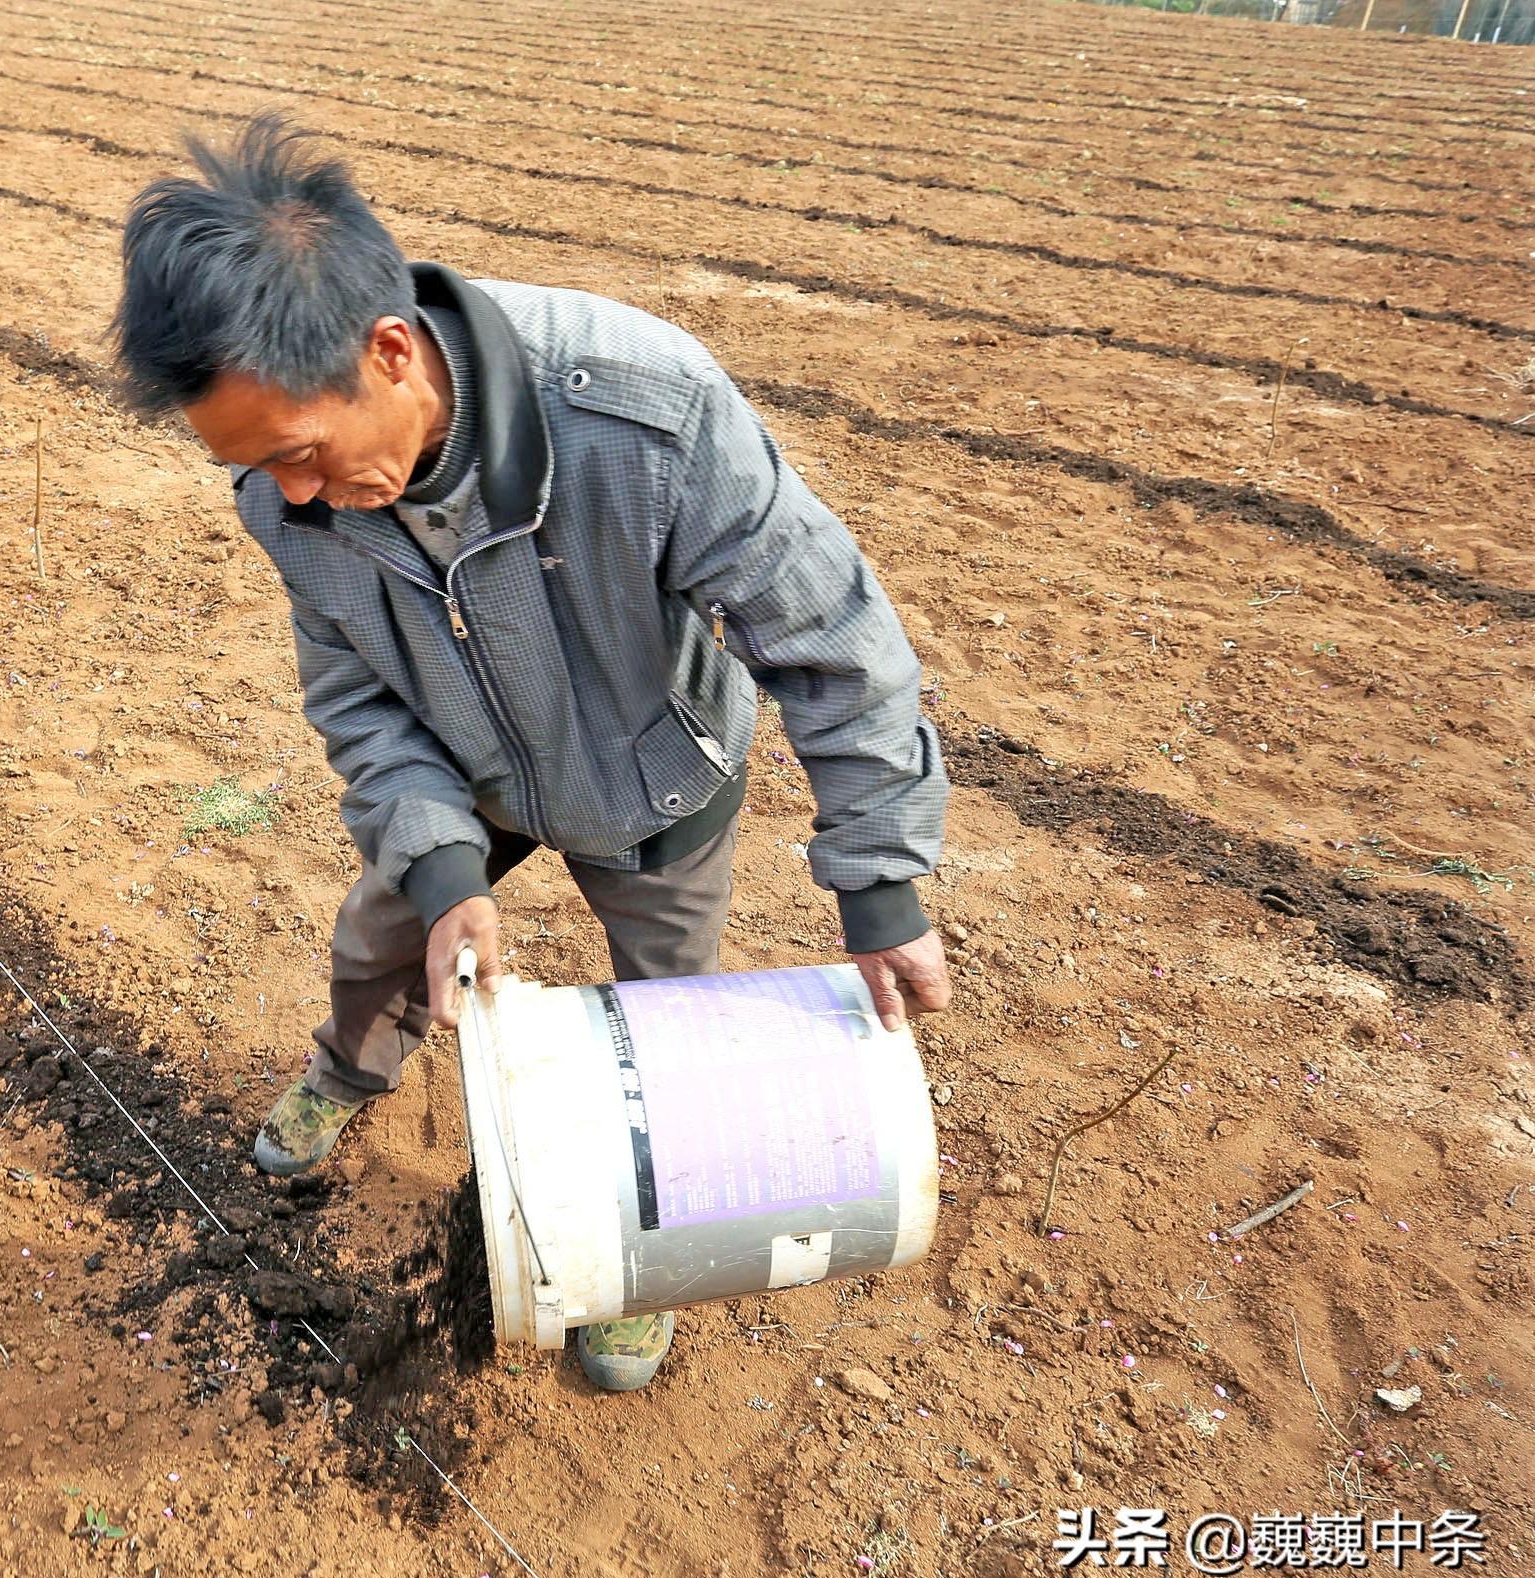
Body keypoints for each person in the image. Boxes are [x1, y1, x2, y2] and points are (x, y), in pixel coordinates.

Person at [110, 116, 951, 1392]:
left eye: (292, 454)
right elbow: (359, 706)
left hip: (652, 774)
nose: (283, 497)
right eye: (248, 469)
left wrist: (880, 884)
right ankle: (346, 1072)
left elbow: (828, 634)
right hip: (464, 766)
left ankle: (640, 1248)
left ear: (387, 353)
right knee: (379, 940)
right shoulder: (295, 503)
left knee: (668, 1019)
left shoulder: (640, 416)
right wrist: (449, 878)